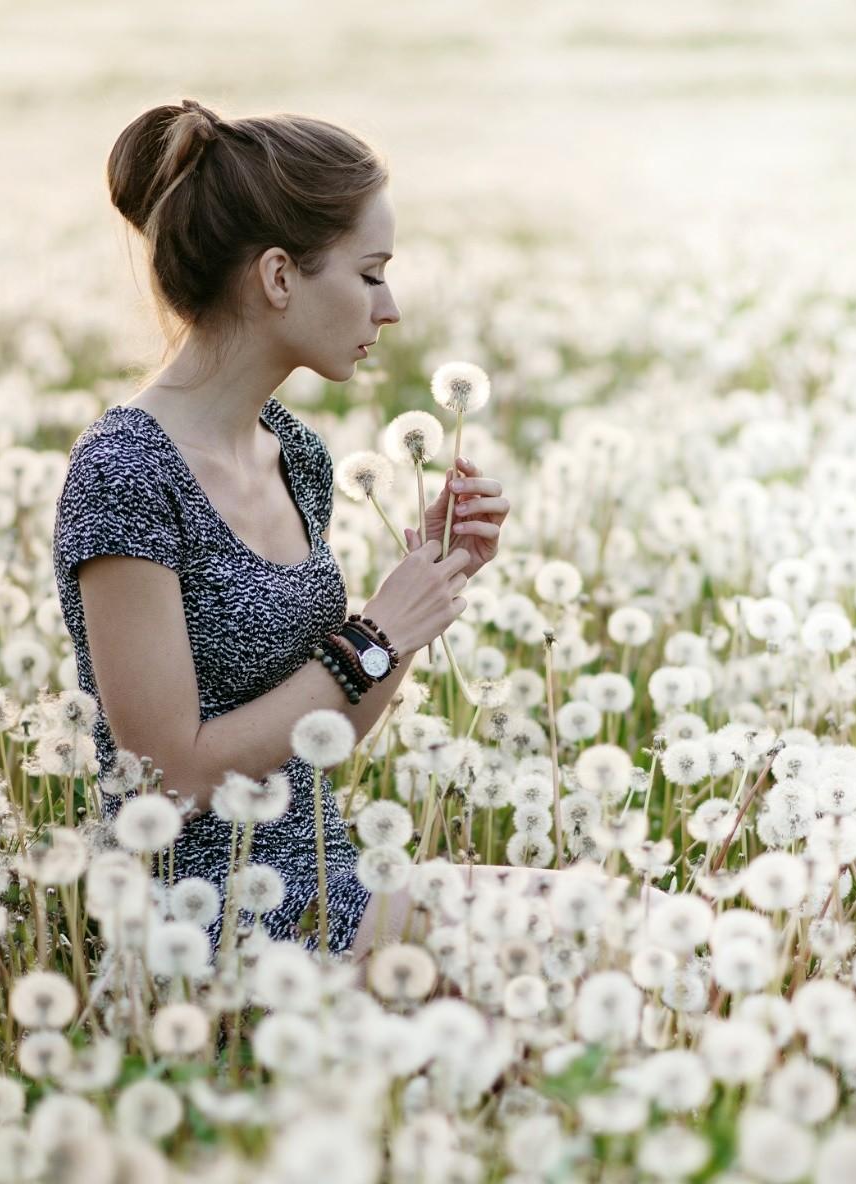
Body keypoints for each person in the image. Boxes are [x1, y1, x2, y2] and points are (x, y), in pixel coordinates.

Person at [52, 98, 520, 960]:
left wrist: (425, 583)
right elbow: (173, 777)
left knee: (615, 922)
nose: (391, 308)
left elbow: (318, 737)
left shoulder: (294, 454)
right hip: (206, 927)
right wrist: (373, 634)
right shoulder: (125, 472)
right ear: (277, 277)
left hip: (330, 882)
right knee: (580, 940)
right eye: (371, 272)